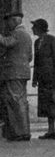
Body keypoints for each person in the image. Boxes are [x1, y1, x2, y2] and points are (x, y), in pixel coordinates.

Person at [31, 19, 55, 140]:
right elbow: (36, 61)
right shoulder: (36, 43)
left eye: (34, 27)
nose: (32, 29)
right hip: (42, 79)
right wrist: (35, 78)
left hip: (52, 78)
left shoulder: (52, 40)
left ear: (40, 28)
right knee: (46, 105)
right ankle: (51, 130)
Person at [0, 12, 33, 141]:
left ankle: (20, 133)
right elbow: (29, 56)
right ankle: (23, 131)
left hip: (13, 73)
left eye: (8, 22)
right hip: (22, 72)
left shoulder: (17, 33)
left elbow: (6, 42)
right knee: (21, 101)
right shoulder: (27, 36)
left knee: (15, 102)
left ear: (14, 21)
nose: (7, 25)